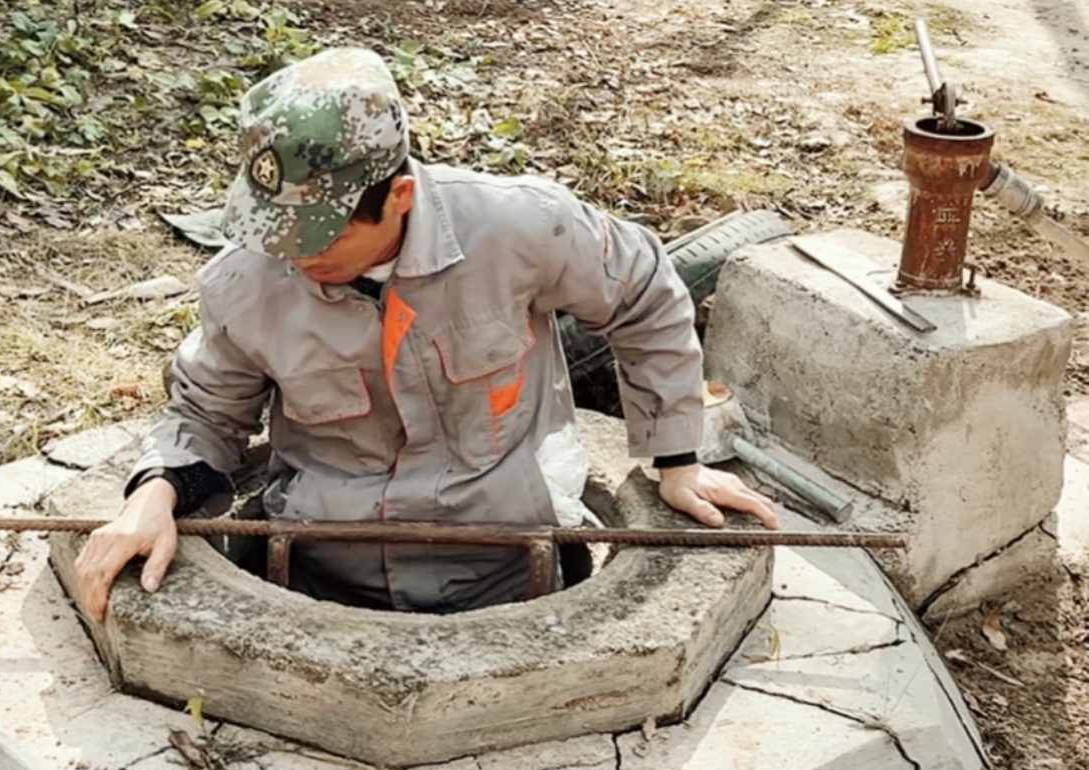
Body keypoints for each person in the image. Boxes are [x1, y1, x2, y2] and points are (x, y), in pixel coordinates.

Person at [74, 47, 777, 621]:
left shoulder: (522, 229)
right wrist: (153, 494)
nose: (288, 254)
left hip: (511, 555)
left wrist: (675, 457)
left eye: (316, 236)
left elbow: (642, 293)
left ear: (399, 196)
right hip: (320, 568)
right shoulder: (244, 282)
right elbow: (204, 411)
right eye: (272, 229)